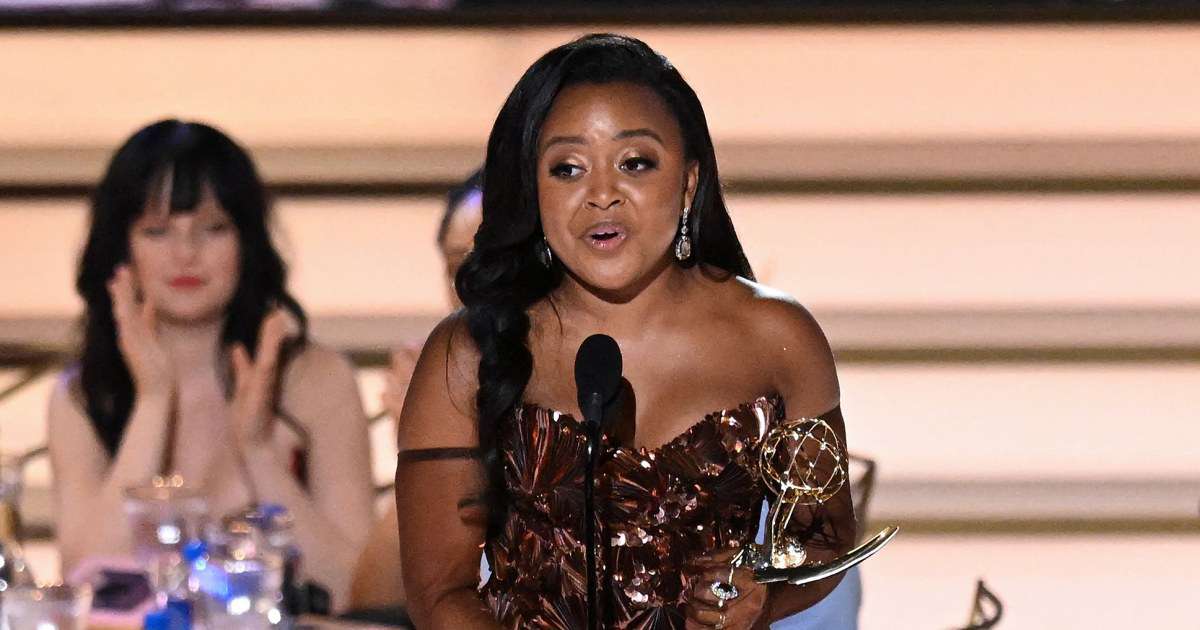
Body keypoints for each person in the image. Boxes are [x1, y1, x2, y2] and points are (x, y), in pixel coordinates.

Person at [396, 34, 857, 629]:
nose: (602, 195)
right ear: (534, 192)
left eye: (635, 163)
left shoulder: (778, 338)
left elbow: (824, 536)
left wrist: (762, 592)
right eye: (567, 169)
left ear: (688, 182)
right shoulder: (467, 353)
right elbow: (439, 594)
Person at [46, 119, 374, 609]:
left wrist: (258, 452)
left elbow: (352, 589)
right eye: (157, 231)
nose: (186, 253)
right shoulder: (84, 396)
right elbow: (87, 582)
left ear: (248, 241)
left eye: (213, 228)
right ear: (120, 249)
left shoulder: (317, 380)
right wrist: (153, 401)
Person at [347, 169, 484, 614]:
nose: (477, 285)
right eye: (459, 267)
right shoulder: (442, 379)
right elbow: (375, 605)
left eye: (500, 259)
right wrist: (424, 454)